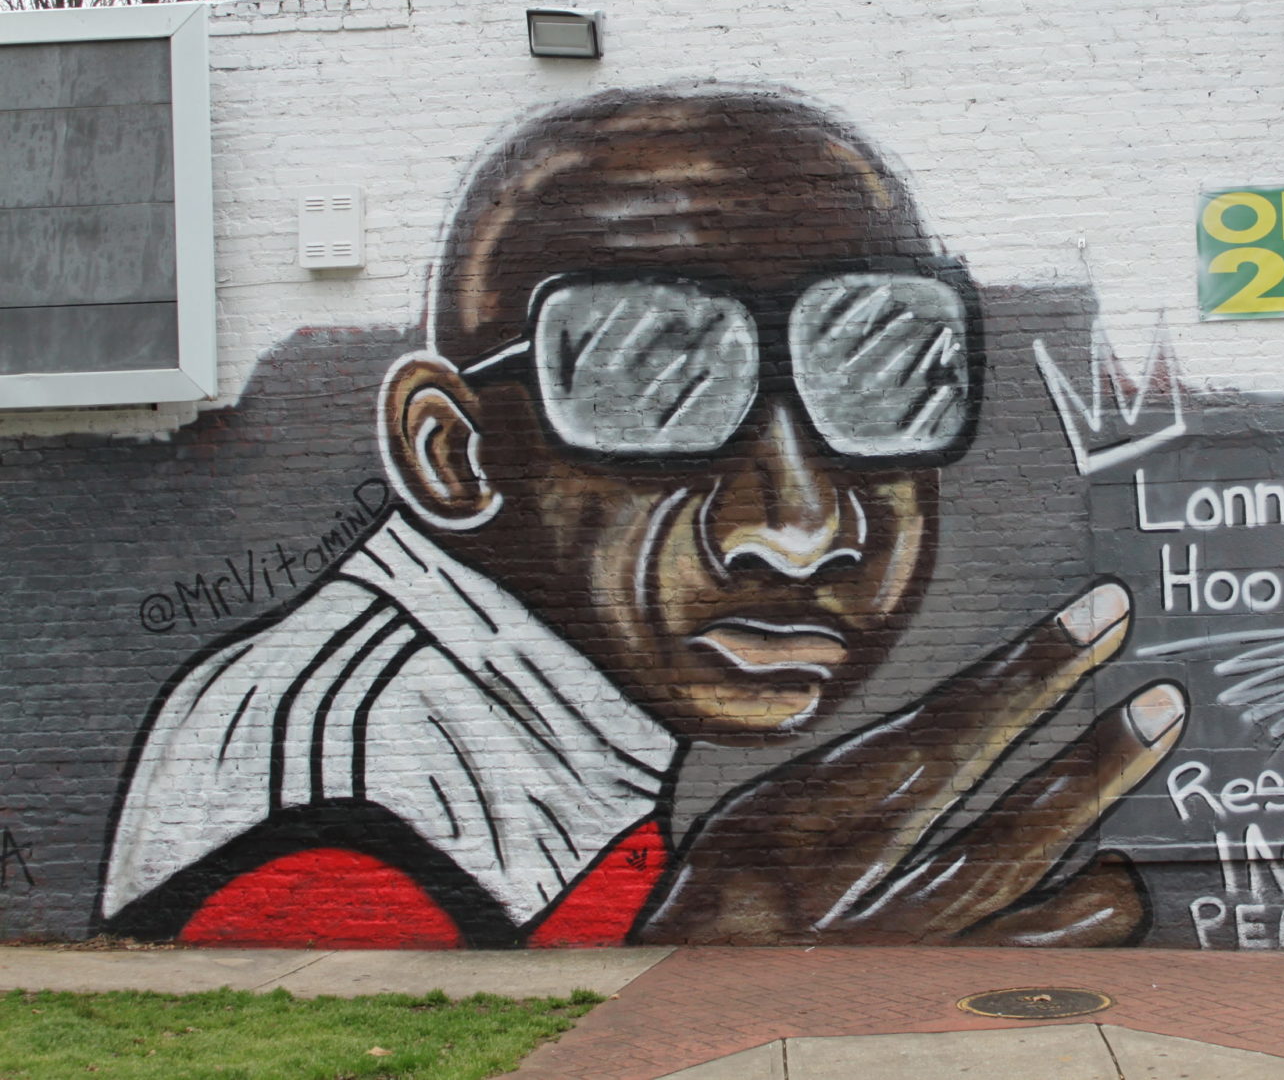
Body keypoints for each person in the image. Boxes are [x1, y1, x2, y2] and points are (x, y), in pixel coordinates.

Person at [99, 87, 1187, 948]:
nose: (798, 525)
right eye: (650, 382)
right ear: (453, 450)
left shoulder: (520, 729)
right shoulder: (356, 792)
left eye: (882, 376)